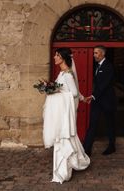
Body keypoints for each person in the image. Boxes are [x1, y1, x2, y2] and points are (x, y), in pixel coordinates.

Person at [42, 47, 90, 184]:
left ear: (63, 57)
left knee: (63, 139)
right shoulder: (62, 74)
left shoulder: (67, 74)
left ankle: (63, 173)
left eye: (57, 55)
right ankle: (62, 171)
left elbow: (73, 92)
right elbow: (71, 91)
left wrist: (56, 92)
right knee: (61, 140)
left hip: (63, 114)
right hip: (60, 112)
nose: (54, 57)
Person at [83, 45, 117, 156]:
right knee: (92, 124)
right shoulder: (97, 66)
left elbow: (103, 85)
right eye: (94, 53)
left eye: (96, 53)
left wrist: (92, 96)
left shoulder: (108, 66)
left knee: (109, 124)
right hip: (97, 101)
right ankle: (86, 150)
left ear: (103, 54)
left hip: (107, 101)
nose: (94, 55)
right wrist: (93, 97)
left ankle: (112, 146)